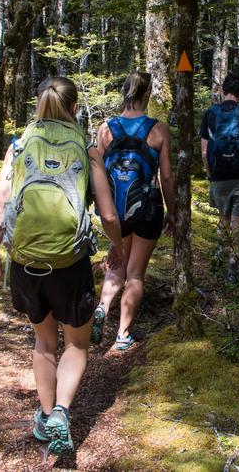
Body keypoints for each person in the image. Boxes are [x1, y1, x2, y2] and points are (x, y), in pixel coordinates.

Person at [0, 76, 124, 456]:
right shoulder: (87, 149)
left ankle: (46, 418)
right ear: (74, 107)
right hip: (70, 263)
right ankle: (62, 410)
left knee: (44, 342)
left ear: (38, 105)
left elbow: (1, 208)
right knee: (76, 344)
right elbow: (108, 213)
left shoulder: (18, 147)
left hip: (26, 262)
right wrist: (118, 249)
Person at [92, 71, 176, 349]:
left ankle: (102, 307)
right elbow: (166, 177)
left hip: (115, 209)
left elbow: (100, 175)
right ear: (147, 94)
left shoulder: (105, 128)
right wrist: (173, 212)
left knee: (116, 266)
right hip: (148, 208)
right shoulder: (158, 129)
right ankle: (122, 336)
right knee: (136, 274)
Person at [200, 72, 239, 282]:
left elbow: (204, 151)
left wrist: (210, 172)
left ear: (223, 90)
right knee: (238, 221)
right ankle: (233, 266)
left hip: (219, 175)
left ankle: (219, 253)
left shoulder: (210, 114)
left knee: (223, 218)